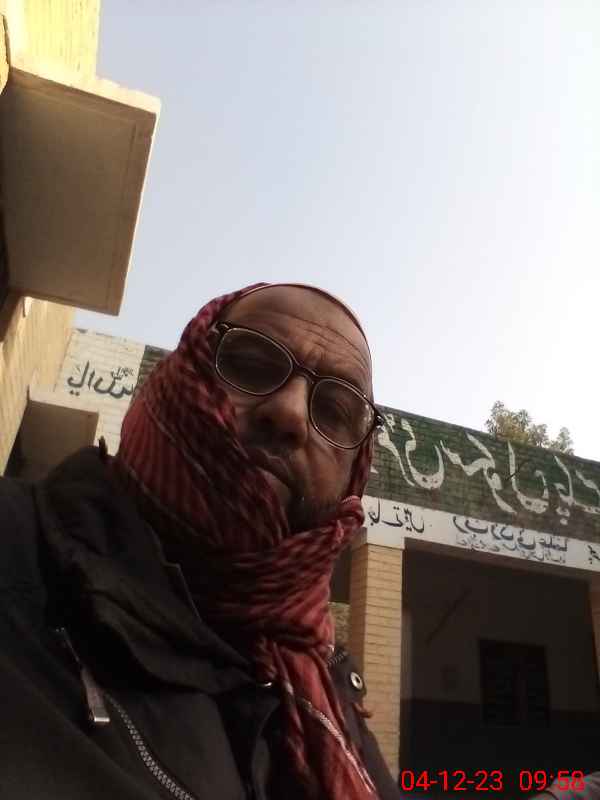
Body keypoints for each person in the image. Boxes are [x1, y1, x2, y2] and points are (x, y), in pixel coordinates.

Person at [0, 283, 408, 799]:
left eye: (335, 410)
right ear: (180, 373)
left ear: (355, 472)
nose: (289, 413)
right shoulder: (17, 549)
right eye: (251, 366)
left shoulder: (328, 689)